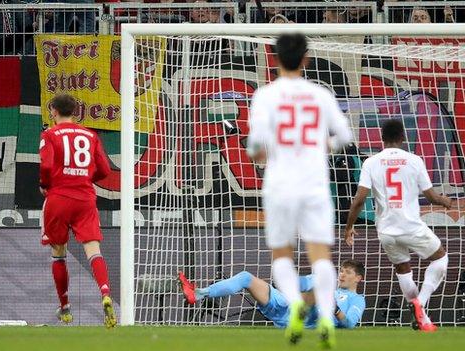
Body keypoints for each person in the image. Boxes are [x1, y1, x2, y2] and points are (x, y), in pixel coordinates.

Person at [246, 33, 352, 348]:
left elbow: (254, 147)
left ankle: (294, 304)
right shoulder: (320, 95)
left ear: (275, 59)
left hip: (279, 184)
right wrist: (325, 145)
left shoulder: (265, 96)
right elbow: (346, 135)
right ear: (306, 59)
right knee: (320, 255)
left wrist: (261, 154)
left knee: (282, 253)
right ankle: (324, 318)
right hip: (314, 184)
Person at [344, 119, 451, 332]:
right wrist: (444, 201)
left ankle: (423, 319)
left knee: (403, 268)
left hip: (386, 231)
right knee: (441, 258)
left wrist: (348, 227)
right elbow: (430, 196)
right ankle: (421, 300)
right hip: (411, 226)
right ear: (403, 138)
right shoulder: (414, 160)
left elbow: (359, 199)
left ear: (382, 139)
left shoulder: (371, 163)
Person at [38, 94, 115, 327]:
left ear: (53, 111)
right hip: (85, 198)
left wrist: (44, 184)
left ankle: (65, 307)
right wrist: (85, 177)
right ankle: (105, 293)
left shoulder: (49, 135)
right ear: (75, 112)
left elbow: (47, 165)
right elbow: (104, 169)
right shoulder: (90, 135)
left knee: (58, 253)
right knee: (93, 250)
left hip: (59, 197)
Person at [178, 260, 366, 329]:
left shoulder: (357, 300)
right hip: (286, 308)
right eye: (341, 270)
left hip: (307, 320)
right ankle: (199, 293)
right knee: (245, 277)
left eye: (347, 273)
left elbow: (349, 324)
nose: (341, 275)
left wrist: (333, 308)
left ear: (358, 278)